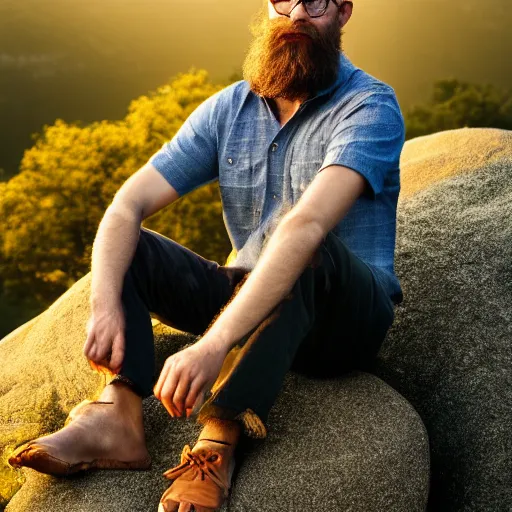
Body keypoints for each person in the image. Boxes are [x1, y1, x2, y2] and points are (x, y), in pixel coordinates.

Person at [9, 0, 406, 511]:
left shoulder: (369, 106)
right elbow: (128, 204)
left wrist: (213, 344)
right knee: (134, 248)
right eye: (285, 1)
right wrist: (106, 301)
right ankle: (118, 416)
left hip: (341, 316)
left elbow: (307, 228)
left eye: (318, 2)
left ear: (344, 13)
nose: (298, 15)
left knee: (304, 242)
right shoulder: (230, 108)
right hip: (251, 295)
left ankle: (217, 442)